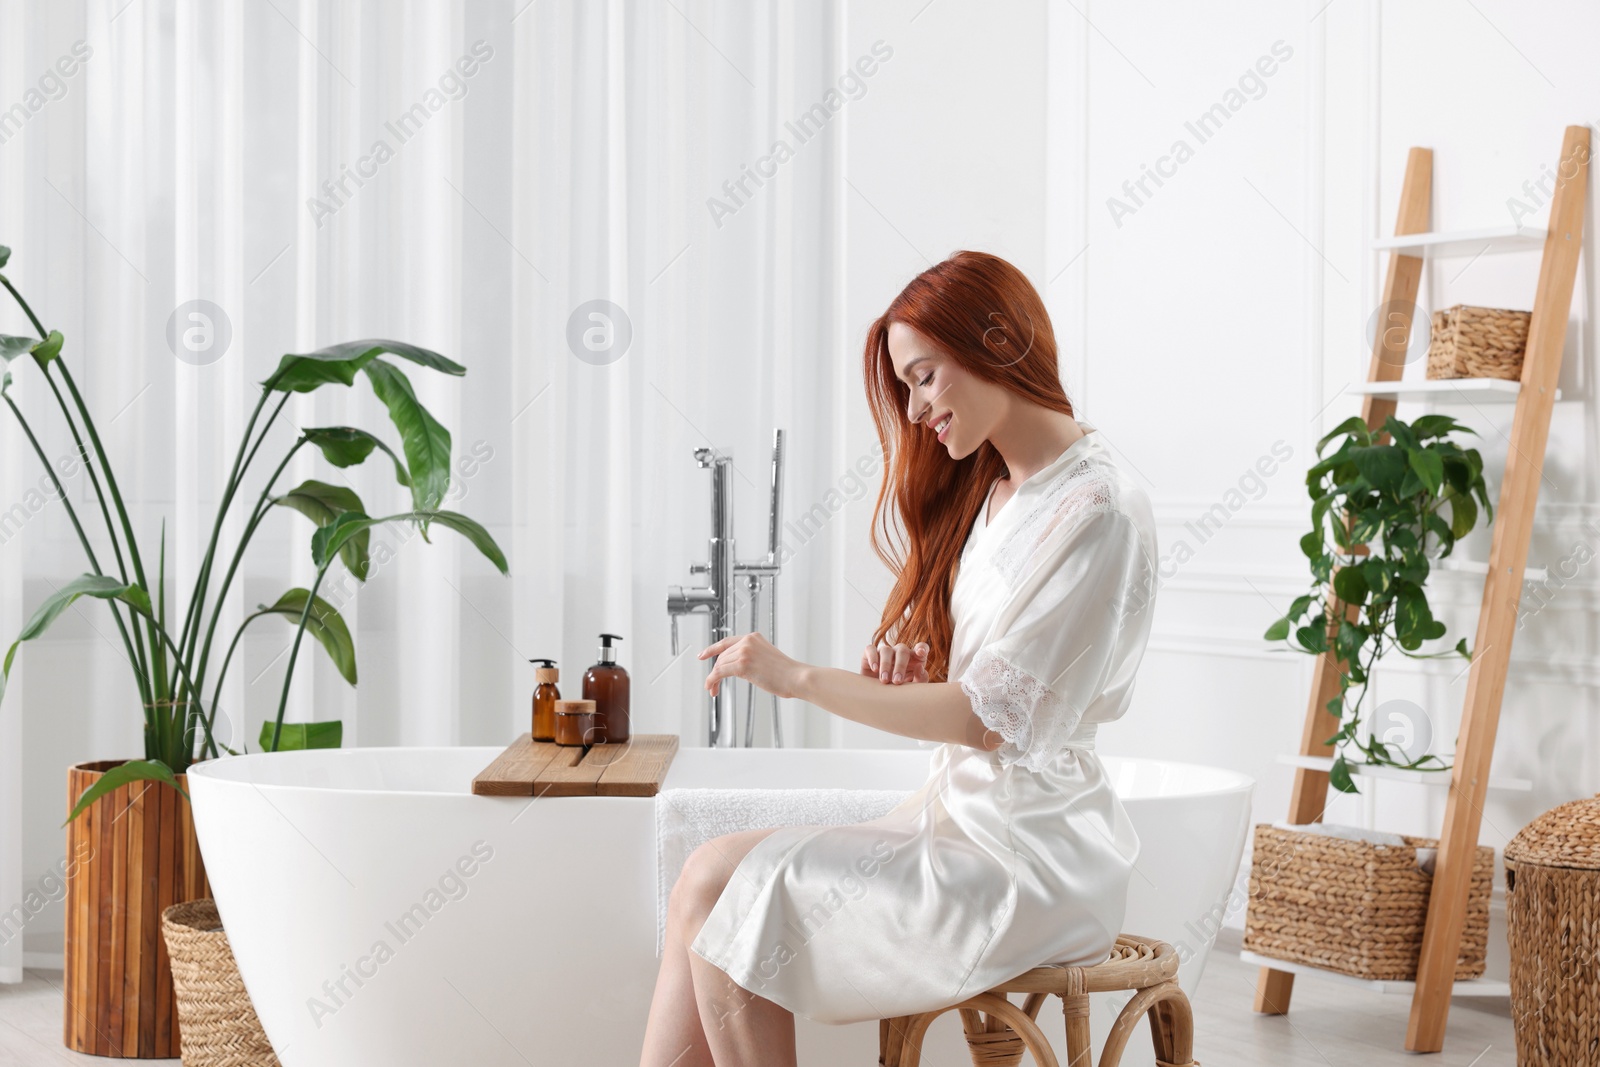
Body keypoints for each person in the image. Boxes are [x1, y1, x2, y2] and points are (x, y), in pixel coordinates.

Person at [639, 250, 1159, 1067]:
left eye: (924, 377)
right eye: (907, 387)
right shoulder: (999, 493)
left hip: (1029, 856)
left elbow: (988, 721)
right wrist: (928, 667)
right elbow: (995, 680)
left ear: (996, 344)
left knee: (724, 894)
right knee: (705, 878)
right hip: (961, 816)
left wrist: (798, 679)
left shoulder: (1098, 506)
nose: (915, 410)